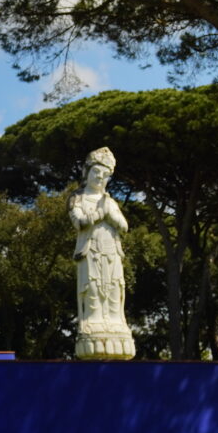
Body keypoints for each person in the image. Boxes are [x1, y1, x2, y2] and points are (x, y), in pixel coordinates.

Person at [68, 146, 134, 359]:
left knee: (114, 287)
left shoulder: (110, 201)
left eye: (105, 175)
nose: (100, 178)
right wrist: (99, 213)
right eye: (97, 172)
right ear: (87, 172)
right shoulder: (78, 198)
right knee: (93, 286)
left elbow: (124, 225)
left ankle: (115, 321)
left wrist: (110, 215)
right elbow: (78, 222)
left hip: (112, 251)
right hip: (91, 250)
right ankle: (94, 320)